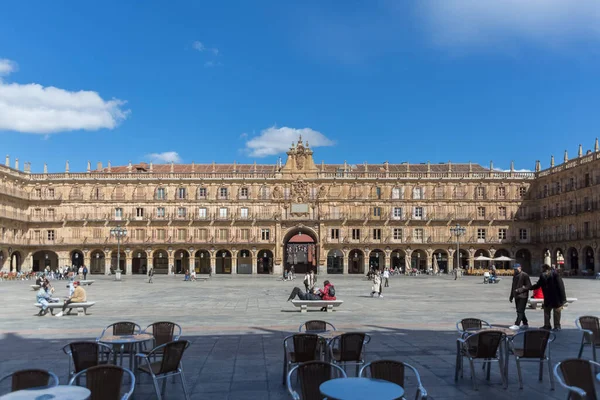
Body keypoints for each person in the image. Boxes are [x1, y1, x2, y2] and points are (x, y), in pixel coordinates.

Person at [521, 264, 567, 331]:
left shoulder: (546, 275)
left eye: (542, 269)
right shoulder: (554, 274)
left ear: (544, 269)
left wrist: (528, 288)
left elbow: (537, 285)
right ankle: (557, 326)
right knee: (556, 312)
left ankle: (547, 325)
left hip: (549, 297)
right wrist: (563, 298)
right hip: (556, 297)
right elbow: (561, 287)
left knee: (547, 311)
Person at [509, 264, 531, 330]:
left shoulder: (525, 275)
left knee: (520, 310)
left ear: (520, 268)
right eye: (514, 269)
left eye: (516, 269)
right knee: (520, 311)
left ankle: (517, 324)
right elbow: (513, 286)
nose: (515, 270)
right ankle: (525, 323)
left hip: (523, 296)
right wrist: (511, 296)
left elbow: (528, 286)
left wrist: (519, 290)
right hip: (516, 295)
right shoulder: (515, 275)